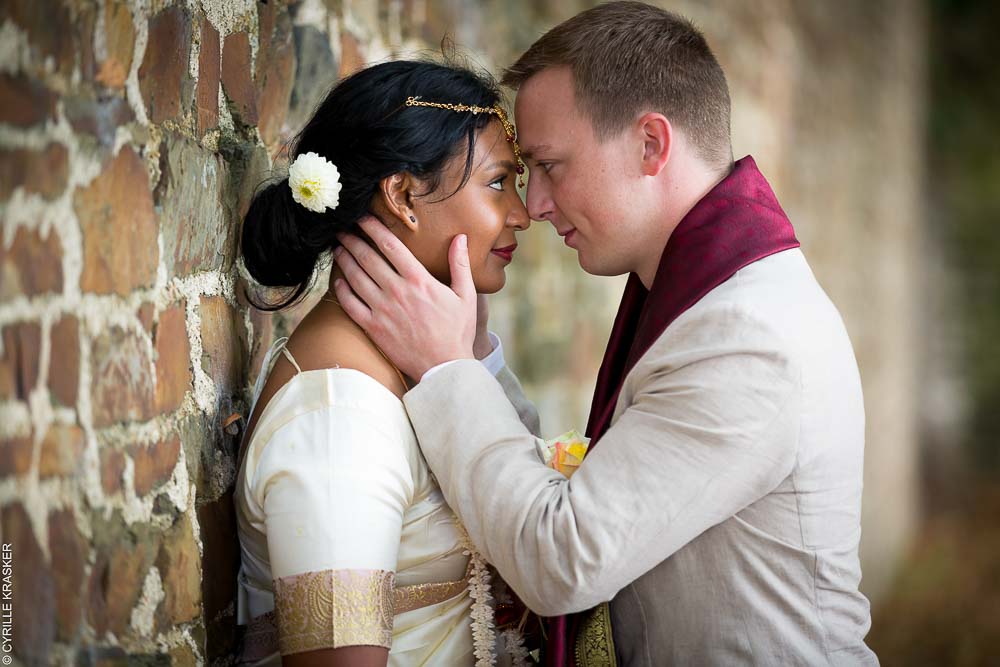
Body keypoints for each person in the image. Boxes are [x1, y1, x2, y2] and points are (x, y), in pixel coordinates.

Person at [330, 2, 880, 666]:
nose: (532, 206)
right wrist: (472, 355)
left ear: (650, 143)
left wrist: (449, 371)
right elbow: (586, 496)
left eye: (551, 166)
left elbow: (562, 558)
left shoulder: (747, 337)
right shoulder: (712, 296)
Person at [233, 59, 537, 666]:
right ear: (403, 196)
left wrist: (466, 356)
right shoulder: (339, 415)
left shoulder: (424, 368)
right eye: (500, 182)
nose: (523, 214)